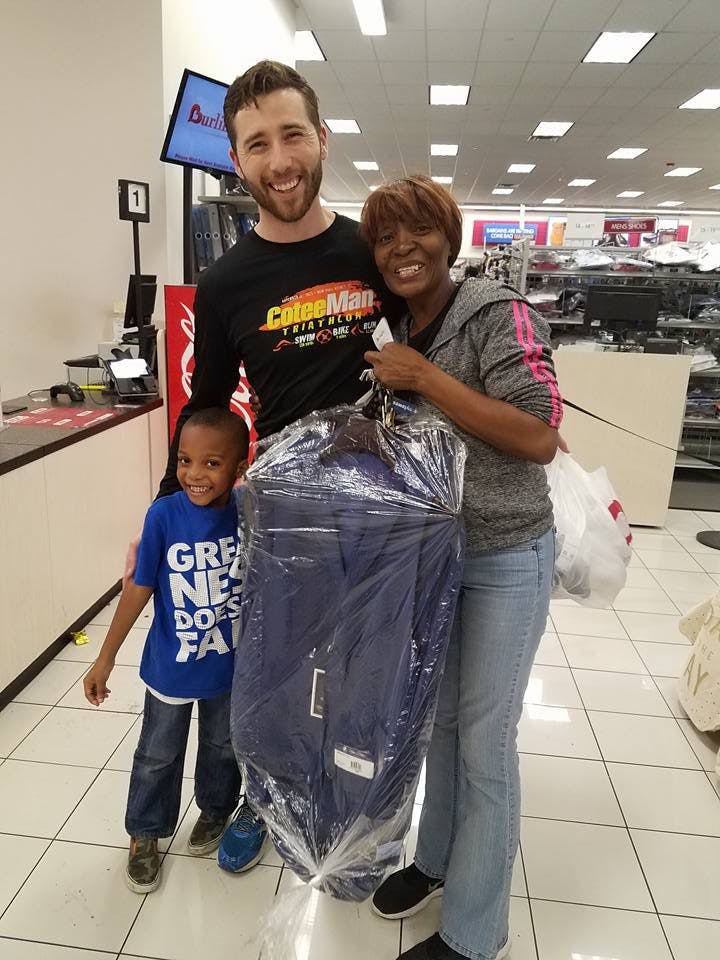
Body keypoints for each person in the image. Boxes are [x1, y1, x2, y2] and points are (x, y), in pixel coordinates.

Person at [124, 60, 399, 874]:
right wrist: (164, 516)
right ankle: (260, 798)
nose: (279, 160)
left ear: (321, 139)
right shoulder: (226, 282)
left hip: (384, 503)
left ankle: (355, 810)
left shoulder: (371, 252)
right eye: (257, 144)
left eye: (291, 136)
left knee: (365, 672)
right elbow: (205, 407)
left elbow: (425, 357)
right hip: (283, 511)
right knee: (273, 669)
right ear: (236, 162)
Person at [360, 176, 562, 960]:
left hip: (508, 554)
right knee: (441, 720)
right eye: (385, 238)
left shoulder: (494, 314)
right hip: (435, 559)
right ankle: (438, 859)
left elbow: (540, 434)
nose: (401, 248)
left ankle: (476, 935)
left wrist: (426, 379)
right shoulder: (396, 326)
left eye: (416, 231)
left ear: (448, 236)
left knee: (485, 740)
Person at [84, 408, 249, 893]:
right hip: (172, 667)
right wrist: (106, 656)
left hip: (230, 665)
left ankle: (216, 810)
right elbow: (138, 587)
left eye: (212, 463)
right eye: (185, 460)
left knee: (223, 747)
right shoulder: (164, 515)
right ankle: (145, 833)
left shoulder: (250, 511)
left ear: (239, 466)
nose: (194, 475)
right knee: (157, 754)